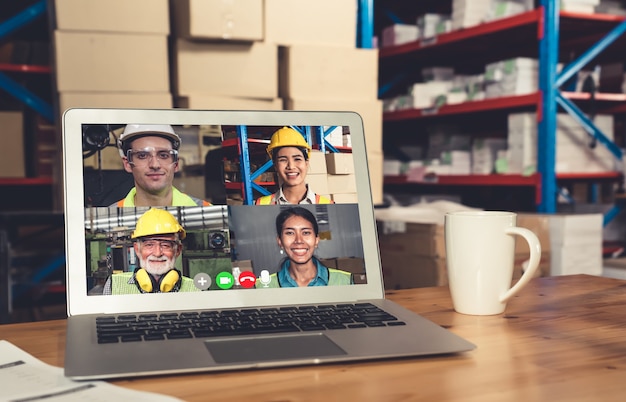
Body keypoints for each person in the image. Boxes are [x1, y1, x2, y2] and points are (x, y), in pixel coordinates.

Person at [103, 208, 200, 294]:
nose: (157, 253)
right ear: (137, 249)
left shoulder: (197, 289)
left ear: (178, 250)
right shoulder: (114, 285)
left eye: (165, 245)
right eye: (149, 245)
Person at [111, 124, 210, 207]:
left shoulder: (205, 208)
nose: (155, 165)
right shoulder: (114, 209)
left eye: (163, 155)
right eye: (142, 156)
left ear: (176, 164)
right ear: (127, 164)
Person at [257, 206, 351, 288]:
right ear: (280, 241)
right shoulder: (262, 286)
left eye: (306, 233)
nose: (298, 240)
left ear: (316, 240)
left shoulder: (345, 280)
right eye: (290, 233)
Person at [255, 127, 334, 205]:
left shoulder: (328, 205)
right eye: (283, 160)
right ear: (275, 166)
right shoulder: (262, 204)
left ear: (306, 163)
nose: (291, 166)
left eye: (297, 159)